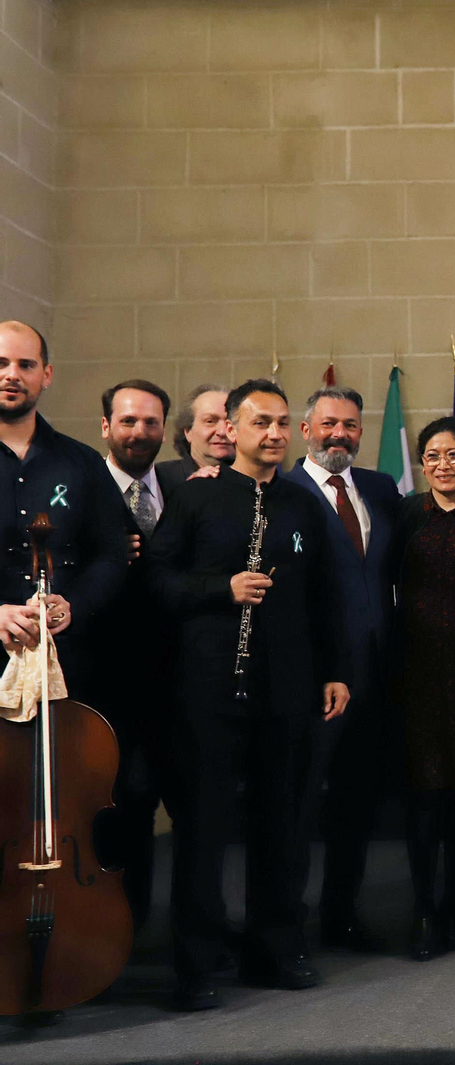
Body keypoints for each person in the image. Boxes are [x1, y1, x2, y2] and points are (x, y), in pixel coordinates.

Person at [147, 379, 350, 1011]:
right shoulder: (195, 497)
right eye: (261, 422)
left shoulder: (301, 504)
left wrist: (335, 670)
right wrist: (221, 589)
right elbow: (157, 581)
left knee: (281, 825)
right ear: (231, 430)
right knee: (203, 831)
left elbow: (325, 594)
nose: (275, 433)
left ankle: (275, 951)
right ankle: (196, 966)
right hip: (208, 690)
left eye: (283, 423)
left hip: (285, 689)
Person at [283, 386, 402, 953]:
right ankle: (284, 925)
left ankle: (341, 915)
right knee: (300, 805)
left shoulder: (380, 489)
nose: (340, 434)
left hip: (374, 674)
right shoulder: (283, 491)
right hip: (312, 678)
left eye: (351, 425)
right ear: (306, 430)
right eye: (329, 423)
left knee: (357, 803)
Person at [87, 379, 186, 931]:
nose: (139, 432)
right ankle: (109, 930)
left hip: (176, 676)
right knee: (116, 803)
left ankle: (148, 927)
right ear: (106, 426)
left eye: (150, 422)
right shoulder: (83, 486)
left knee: (166, 802)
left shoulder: (181, 484)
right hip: (103, 677)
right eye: (127, 421)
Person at [395, 417, 455, 961]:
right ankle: (422, 909)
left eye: (454, 454)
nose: (442, 464)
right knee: (423, 797)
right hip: (416, 676)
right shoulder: (405, 514)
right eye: (432, 456)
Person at [0, 322, 127, 682]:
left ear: (47, 375)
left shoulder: (82, 462)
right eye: (1, 363)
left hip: (66, 659)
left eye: (26, 365)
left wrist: (75, 604)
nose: (12, 375)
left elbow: (111, 554)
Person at [157, 382, 235, 480]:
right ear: (188, 431)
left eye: (231, 422)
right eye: (210, 421)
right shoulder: (160, 478)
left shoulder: (251, 479)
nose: (222, 432)